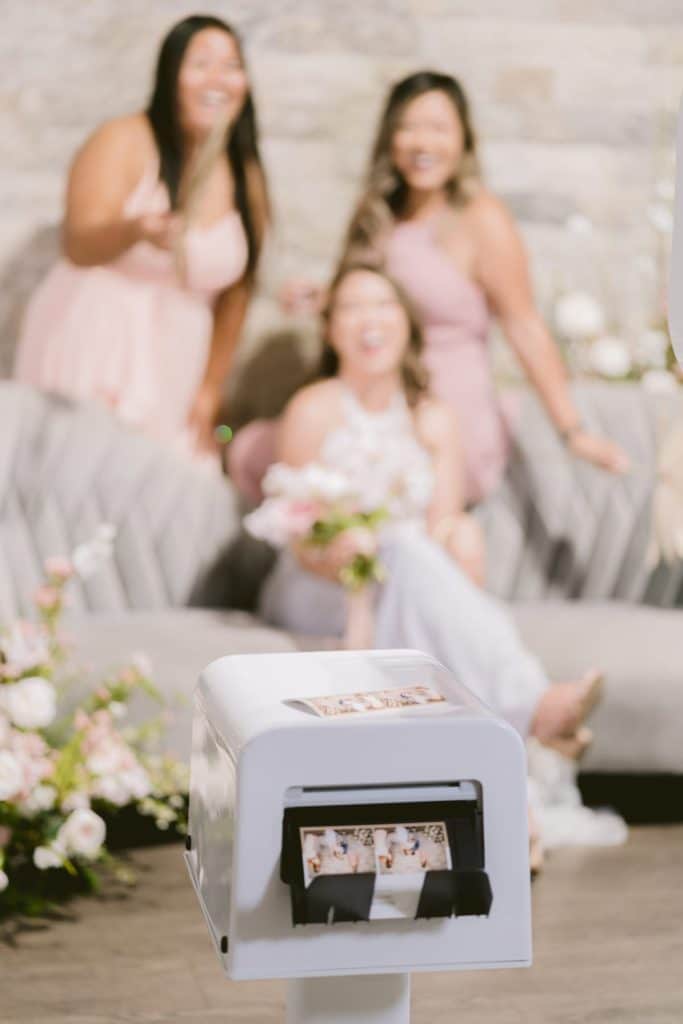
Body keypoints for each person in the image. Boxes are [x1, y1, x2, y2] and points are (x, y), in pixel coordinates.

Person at [259, 264, 607, 861]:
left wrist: (461, 535)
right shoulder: (312, 408)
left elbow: (441, 527)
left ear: (407, 326)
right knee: (404, 555)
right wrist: (344, 554)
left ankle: (503, 809)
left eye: (383, 306)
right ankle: (531, 707)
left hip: (403, 581)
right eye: (351, 308)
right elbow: (295, 532)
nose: (370, 321)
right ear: (331, 329)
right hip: (319, 582)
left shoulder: (435, 417)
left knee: (417, 556)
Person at [239, 70, 628, 509]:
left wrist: (572, 431)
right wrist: (326, 298)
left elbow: (523, 323)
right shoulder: (377, 212)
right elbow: (382, 301)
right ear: (390, 138)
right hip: (373, 404)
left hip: (446, 416)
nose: (423, 142)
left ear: (464, 139)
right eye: (408, 127)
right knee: (252, 450)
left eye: (439, 128)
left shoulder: (481, 217)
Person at [14, 15, 268, 458]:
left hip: (177, 359)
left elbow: (239, 290)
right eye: (201, 64)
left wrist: (210, 386)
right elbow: (78, 245)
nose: (218, 79)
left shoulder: (245, 170)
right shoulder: (124, 139)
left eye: (231, 65)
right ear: (170, 75)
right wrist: (133, 231)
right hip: (95, 340)